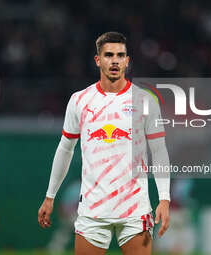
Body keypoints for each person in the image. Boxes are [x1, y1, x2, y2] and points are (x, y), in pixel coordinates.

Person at [38, 31, 171, 255]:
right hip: (93, 209)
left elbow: (158, 151)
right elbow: (65, 149)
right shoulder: (80, 100)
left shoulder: (145, 100)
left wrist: (165, 199)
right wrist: (49, 196)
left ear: (128, 61)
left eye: (121, 55)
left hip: (134, 209)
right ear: (98, 60)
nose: (115, 60)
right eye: (109, 55)